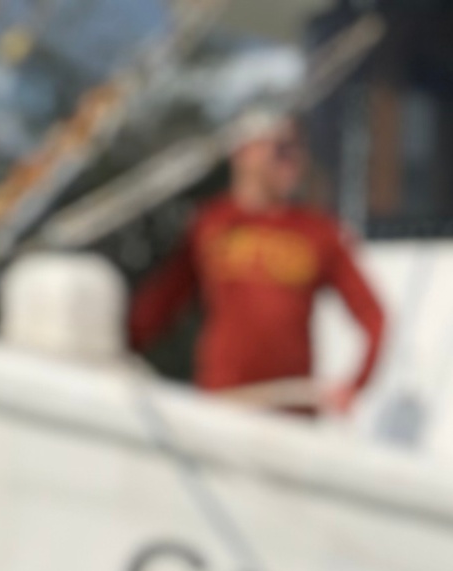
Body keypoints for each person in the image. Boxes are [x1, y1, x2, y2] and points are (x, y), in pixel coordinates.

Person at [129, 110, 384, 416]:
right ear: (242, 151)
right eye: (279, 149)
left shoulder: (319, 232)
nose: (292, 160)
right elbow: (161, 303)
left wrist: (355, 385)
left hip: (291, 411)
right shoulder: (210, 223)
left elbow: (374, 317)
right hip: (223, 405)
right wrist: (118, 348)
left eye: (297, 148)